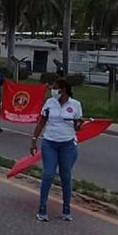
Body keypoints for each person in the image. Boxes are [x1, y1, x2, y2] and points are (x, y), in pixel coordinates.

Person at [30, 78, 83, 222]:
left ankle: (66, 210)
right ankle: (42, 209)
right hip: (50, 143)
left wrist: (79, 124)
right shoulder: (49, 103)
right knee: (48, 174)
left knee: (66, 176)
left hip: (68, 145)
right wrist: (34, 140)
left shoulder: (75, 105)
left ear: (63, 90)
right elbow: (42, 121)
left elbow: (77, 126)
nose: (52, 90)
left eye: (55, 88)